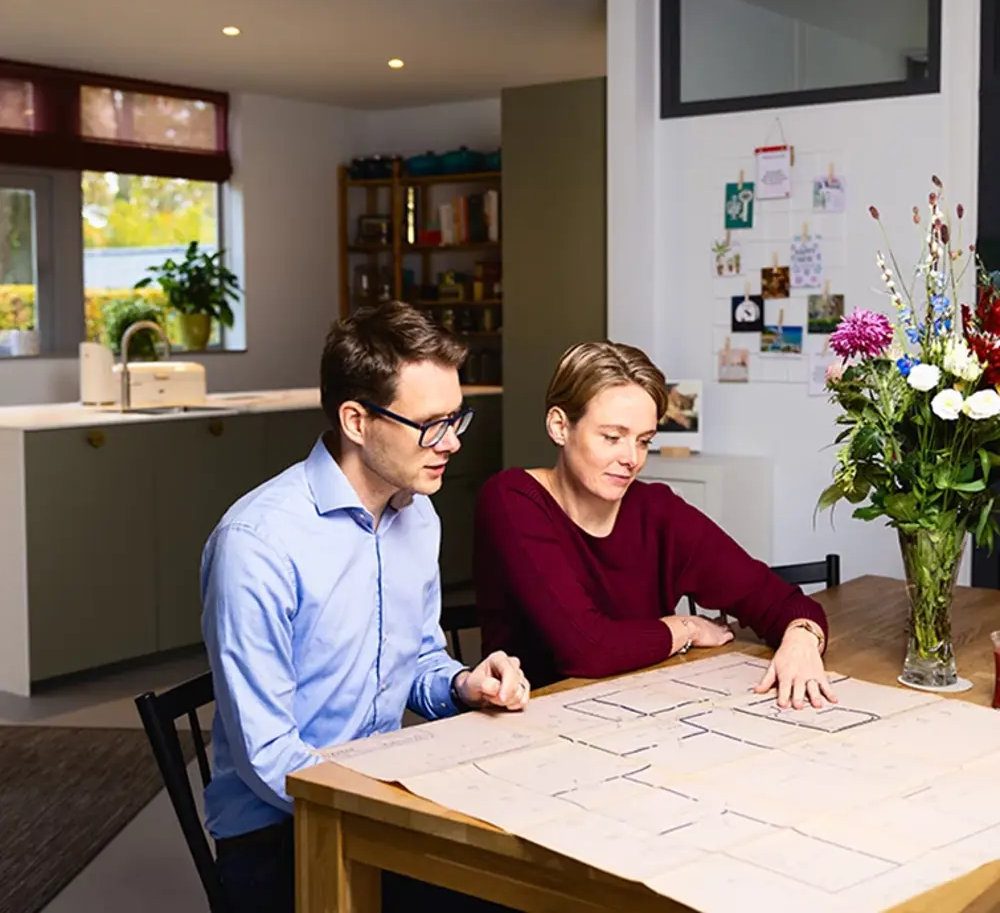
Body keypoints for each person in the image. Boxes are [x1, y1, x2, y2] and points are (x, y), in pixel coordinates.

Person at [202, 301, 528, 913]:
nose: (452, 442)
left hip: (375, 793)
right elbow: (269, 756)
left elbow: (419, 659)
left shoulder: (417, 512)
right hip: (277, 830)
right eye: (431, 424)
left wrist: (463, 685)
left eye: (457, 419)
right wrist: (394, 810)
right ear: (356, 419)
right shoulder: (258, 544)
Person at [474, 340, 836, 710]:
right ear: (559, 426)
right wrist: (687, 628)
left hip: (640, 713)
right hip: (532, 727)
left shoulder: (658, 512)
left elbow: (778, 601)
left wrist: (802, 640)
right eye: (612, 437)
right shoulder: (511, 499)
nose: (631, 459)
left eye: (644, 441)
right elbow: (587, 649)